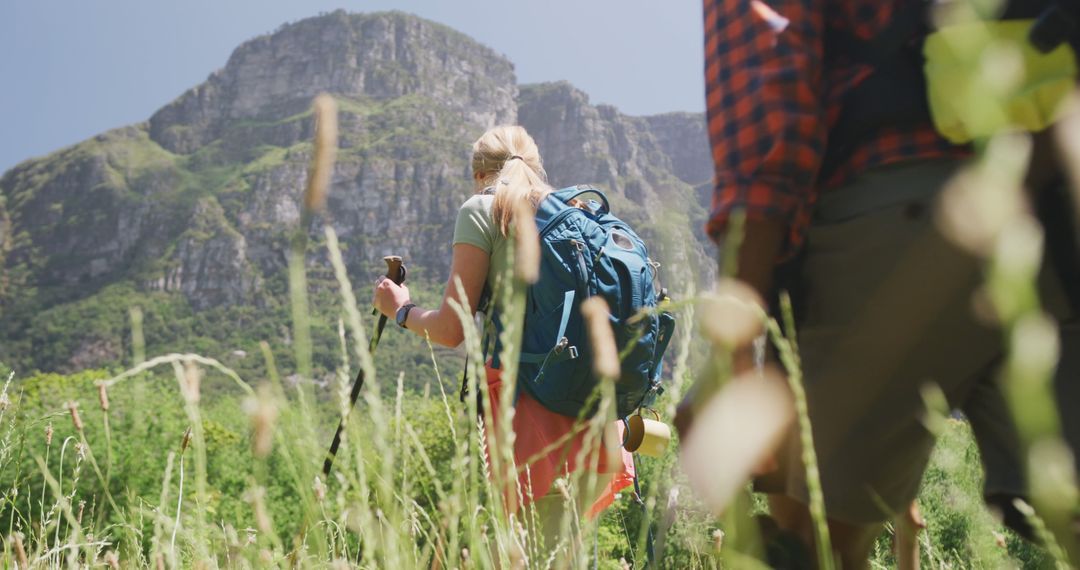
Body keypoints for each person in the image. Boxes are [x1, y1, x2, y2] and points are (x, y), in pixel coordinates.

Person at [685, 0, 1080, 567]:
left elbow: (766, 94)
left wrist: (733, 342)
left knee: (819, 540)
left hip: (896, 214)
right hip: (1060, 201)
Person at [371, 124, 635, 559]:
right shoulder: (577, 215)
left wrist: (399, 309)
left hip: (531, 415)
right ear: (535, 166)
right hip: (599, 414)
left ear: (480, 174)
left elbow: (451, 330)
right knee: (555, 555)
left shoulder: (482, 209)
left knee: (519, 554)